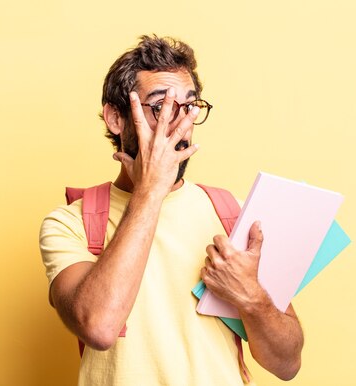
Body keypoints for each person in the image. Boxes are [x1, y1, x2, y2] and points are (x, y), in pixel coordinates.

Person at [39, 35, 304, 386]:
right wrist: (150, 190)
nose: (179, 124)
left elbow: (287, 364)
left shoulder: (234, 214)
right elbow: (99, 327)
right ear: (116, 118)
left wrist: (251, 298)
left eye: (190, 107)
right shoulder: (69, 223)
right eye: (160, 106)